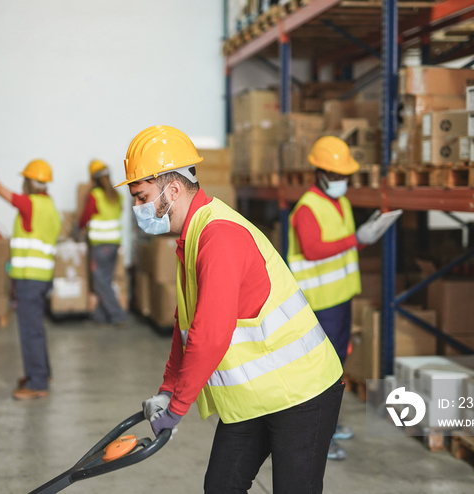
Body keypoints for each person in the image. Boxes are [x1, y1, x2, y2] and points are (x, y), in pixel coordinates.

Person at [117, 125, 345, 494]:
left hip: (302, 393)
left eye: (141, 196)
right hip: (256, 396)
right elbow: (185, 325)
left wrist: (177, 409)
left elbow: (210, 336)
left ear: (172, 190)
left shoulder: (219, 237)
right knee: (222, 486)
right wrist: (167, 388)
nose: (137, 208)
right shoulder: (191, 238)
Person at [286, 136, 366, 460]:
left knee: (336, 367)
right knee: (318, 372)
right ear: (318, 173)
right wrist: (355, 239)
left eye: (344, 175)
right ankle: (317, 436)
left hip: (341, 298)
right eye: (334, 175)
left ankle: (328, 425)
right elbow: (313, 249)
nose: (340, 181)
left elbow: (343, 244)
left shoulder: (340, 202)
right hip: (319, 304)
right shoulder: (306, 208)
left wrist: (361, 238)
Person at [0, 159, 61, 400]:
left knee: (29, 331)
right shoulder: (49, 206)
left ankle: (37, 383)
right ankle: (43, 374)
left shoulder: (29, 204)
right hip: (42, 278)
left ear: (29, 182)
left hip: (29, 280)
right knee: (36, 329)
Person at [78, 160, 125, 325]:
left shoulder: (95, 195)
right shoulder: (117, 196)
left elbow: (85, 217)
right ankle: (100, 317)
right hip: (114, 245)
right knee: (104, 280)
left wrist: (79, 227)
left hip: (100, 246)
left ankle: (117, 316)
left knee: (101, 283)